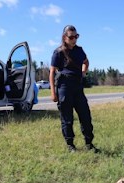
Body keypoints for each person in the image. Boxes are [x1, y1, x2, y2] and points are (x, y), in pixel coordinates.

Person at [49, 25, 99, 153]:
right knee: (67, 118)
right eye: (71, 37)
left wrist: (83, 72)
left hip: (78, 86)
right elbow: (52, 72)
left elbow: (86, 62)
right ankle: (70, 145)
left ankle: (89, 143)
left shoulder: (79, 50)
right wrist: (53, 93)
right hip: (64, 86)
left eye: (76, 36)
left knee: (85, 116)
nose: (74, 40)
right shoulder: (59, 52)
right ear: (64, 37)